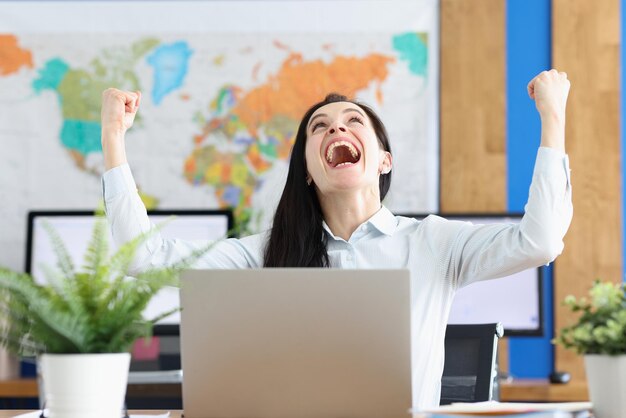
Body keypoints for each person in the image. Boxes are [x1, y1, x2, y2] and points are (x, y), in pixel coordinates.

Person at [100, 69, 572, 409]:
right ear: (308, 170)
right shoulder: (263, 254)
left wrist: (553, 118)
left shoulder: (434, 241)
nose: (337, 128)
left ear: (383, 161)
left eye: (353, 122)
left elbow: (541, 241)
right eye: (320, 127)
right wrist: (113, 138)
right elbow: (143, 256)